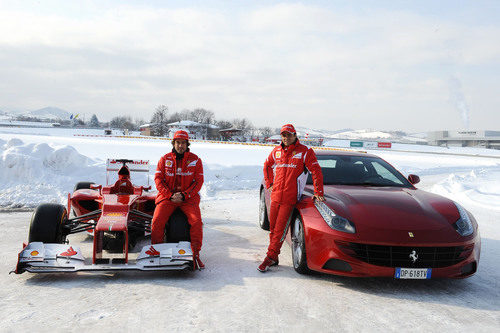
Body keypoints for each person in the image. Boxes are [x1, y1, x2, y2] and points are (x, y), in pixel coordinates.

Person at [258, 124, 324, 272]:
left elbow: (316, 171)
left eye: (289, 135)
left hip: (290, 199)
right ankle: (273, 257)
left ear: (295, 135)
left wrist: (318, 191)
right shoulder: (276, 151)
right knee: (273, 229)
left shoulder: (305, 152)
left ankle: (270, 257)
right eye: (283, 135)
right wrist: (269, 183)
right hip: (275, 197)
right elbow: (267, 165)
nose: (286, 138)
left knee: (280, 230)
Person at [151, 130, 205, 269]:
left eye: (183, 143)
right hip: (167, 197)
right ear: (173, 143)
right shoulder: (164, 159)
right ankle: (156, 252)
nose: (180, 146)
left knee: (197, 222)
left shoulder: (196, 160)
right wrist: (169, 195)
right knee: (157, 221)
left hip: (188, 198)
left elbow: (198, 182)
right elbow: (158, 180)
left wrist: (184, 195)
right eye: (178, 143)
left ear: (187, 144)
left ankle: (195, 254)